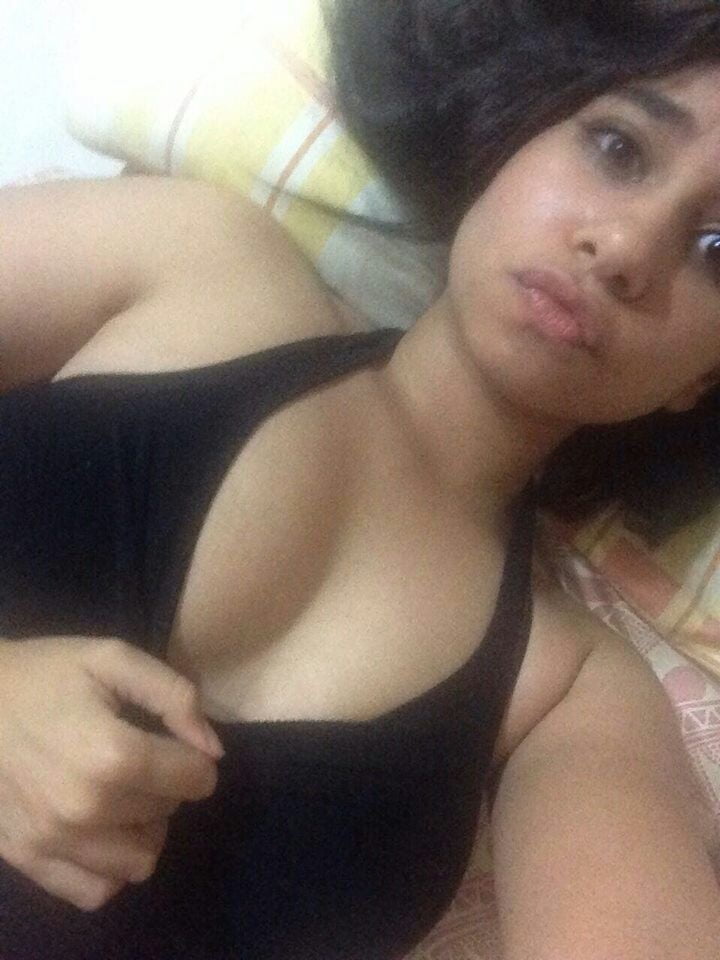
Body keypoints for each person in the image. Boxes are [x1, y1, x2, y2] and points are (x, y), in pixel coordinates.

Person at [0, 0, 720, 956]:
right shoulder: (192, 258)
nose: (625, 250)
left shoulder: (571, 690)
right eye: (618, 148)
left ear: (704, 378)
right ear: (511, 137)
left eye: (719, 254)